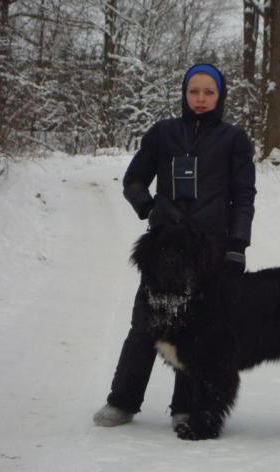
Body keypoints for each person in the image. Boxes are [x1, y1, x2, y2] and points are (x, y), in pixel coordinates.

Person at [93, 63, 256, 428]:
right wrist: (147, 207)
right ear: (184, 93)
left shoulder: (234, 139)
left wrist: (237, 246)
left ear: (220, 96)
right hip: (163, 248)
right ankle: (122, 401)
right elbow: (134, 179)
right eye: (194, 91)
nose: (200, 99)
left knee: (198, 328)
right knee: (143, 324)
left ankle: (187, 406)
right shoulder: (162, 133)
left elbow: (244, 197)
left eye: (208, 92)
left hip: (208, 252)